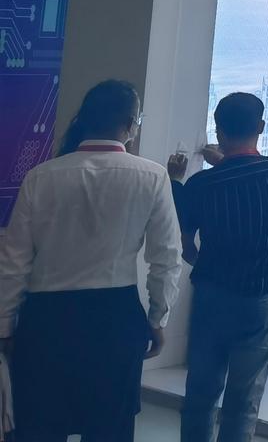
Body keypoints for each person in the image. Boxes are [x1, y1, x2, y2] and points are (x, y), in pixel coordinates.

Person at [0, 80, 182, 442]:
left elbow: (14, 262)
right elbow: (166, 258)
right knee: (109, 430)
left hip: (46, 320)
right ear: (130, 124)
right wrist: (157, 318)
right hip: (115, 319)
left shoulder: (40, 177)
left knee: (39, 426)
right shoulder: (152, 176)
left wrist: (4, 326)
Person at [167, 92, 268, 442]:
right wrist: (225, 160)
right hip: (264, 297)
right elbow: (244, 175)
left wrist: (175, 182)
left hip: (213, 295)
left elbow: (185, 242)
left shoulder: (201, 186)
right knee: (244, 400)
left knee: (201, 394)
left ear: (218, 130)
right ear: (261, 126)